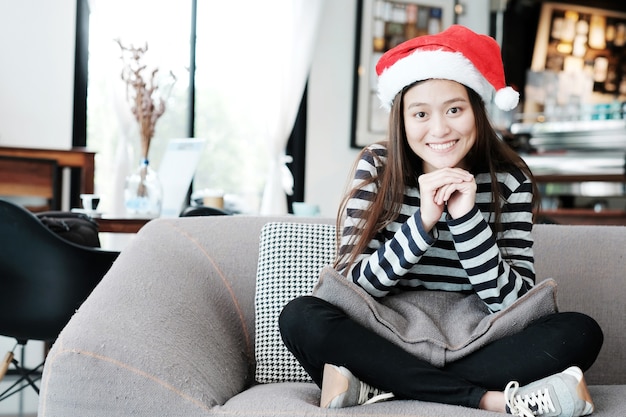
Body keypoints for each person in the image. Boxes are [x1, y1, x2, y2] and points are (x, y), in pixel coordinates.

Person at [278, 25, 603, 417]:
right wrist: (424, 222)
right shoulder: (377, 168)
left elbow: (514, 303)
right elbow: (352, 288)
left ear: (476, 111)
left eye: (454, 109)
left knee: (580, 332)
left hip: (480, 337)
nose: (439, 129)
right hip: (384, 334)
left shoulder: (509, 180)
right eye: (420, 114)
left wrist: (466, 218)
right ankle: (487, 399)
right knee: (302, 316)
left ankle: (381, 385)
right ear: (402, 120)